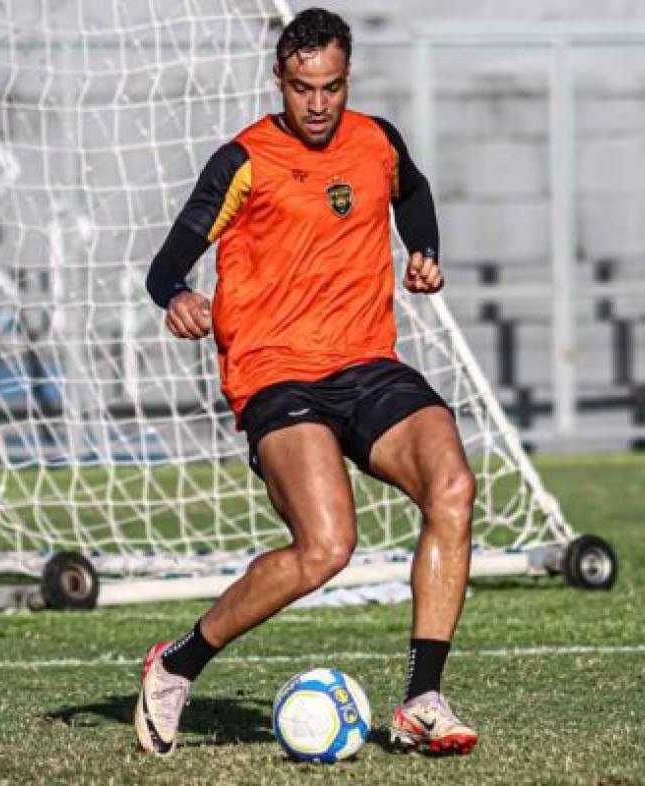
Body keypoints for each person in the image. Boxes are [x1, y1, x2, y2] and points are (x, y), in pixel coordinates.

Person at [138, 7, 477, 757]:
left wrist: (423, 249)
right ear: (279, 80)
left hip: (366, 363)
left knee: (452, 485)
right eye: (301, 88)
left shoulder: (377, 140)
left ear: (347, 77)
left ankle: (422, 700)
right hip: (276, 372)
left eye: (331, 86)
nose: (318, 104)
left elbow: (413, 192)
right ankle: (177, 663)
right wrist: (178, 296)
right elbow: (168, 261)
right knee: (326, 547)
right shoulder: (244, 160)